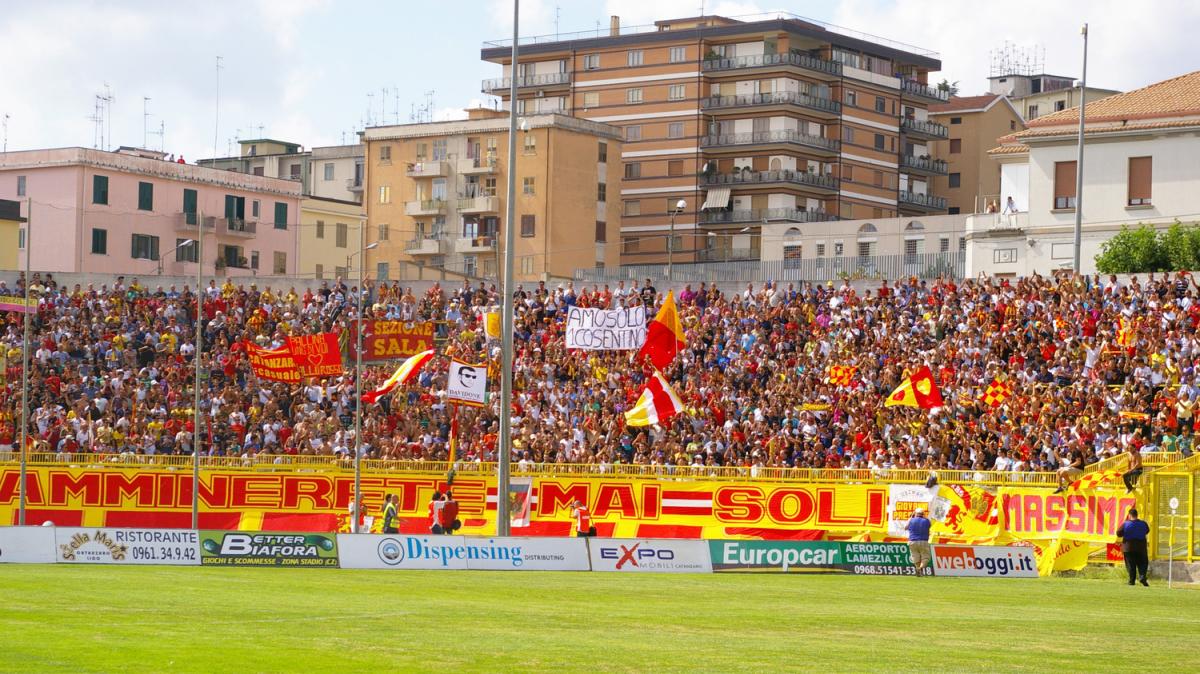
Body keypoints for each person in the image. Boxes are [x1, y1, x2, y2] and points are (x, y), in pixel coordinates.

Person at [1116, 508, 1150, 586]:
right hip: (1141, 548)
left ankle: (1131, 581)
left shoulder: (1126, 524)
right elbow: (1147, 530)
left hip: (1128, 548)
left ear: (1129, 515)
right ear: (1137, 515)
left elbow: (1118, 533)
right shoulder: (1143, 523)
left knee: (1131, 565)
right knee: (1143, 563)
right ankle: (1142, 576)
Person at [905, 507, 933, 576]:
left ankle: (918, 569)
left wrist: (911, 517)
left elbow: (905, 527)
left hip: (912, 541)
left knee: (915, 557)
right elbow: (930, 524)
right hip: (923, 541)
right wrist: (924, 516)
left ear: (915, 513)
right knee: (926, 557)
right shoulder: (926, 521)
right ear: (923, 514)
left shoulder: (911, 520)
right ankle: (920, 568)